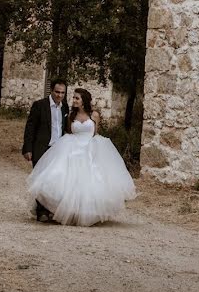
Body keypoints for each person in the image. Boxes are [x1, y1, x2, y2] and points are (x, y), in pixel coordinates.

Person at [26, 88, 136, 226]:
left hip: (89, 147)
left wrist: (96, 150)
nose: (74, 100)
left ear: (83, 100)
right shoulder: (71, 115)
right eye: (74, 98)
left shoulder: (94, 115)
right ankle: (66, 211)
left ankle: (86, 213)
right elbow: (69, 131)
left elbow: (95, 133)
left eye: (77, 98)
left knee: (91, 181)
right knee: (67, 180)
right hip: (72, 148)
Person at [22, 78, 69, 222]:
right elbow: (30, 128)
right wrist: (27, 148)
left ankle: (50, 210)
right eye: (57, 92)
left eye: (62, 93)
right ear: (51, 91)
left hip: (57, 150)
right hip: (41, 148)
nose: (59, 95)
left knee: (54, 182)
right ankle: (41, 212)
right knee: (40, 181)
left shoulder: (65, 108)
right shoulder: (39, 105)